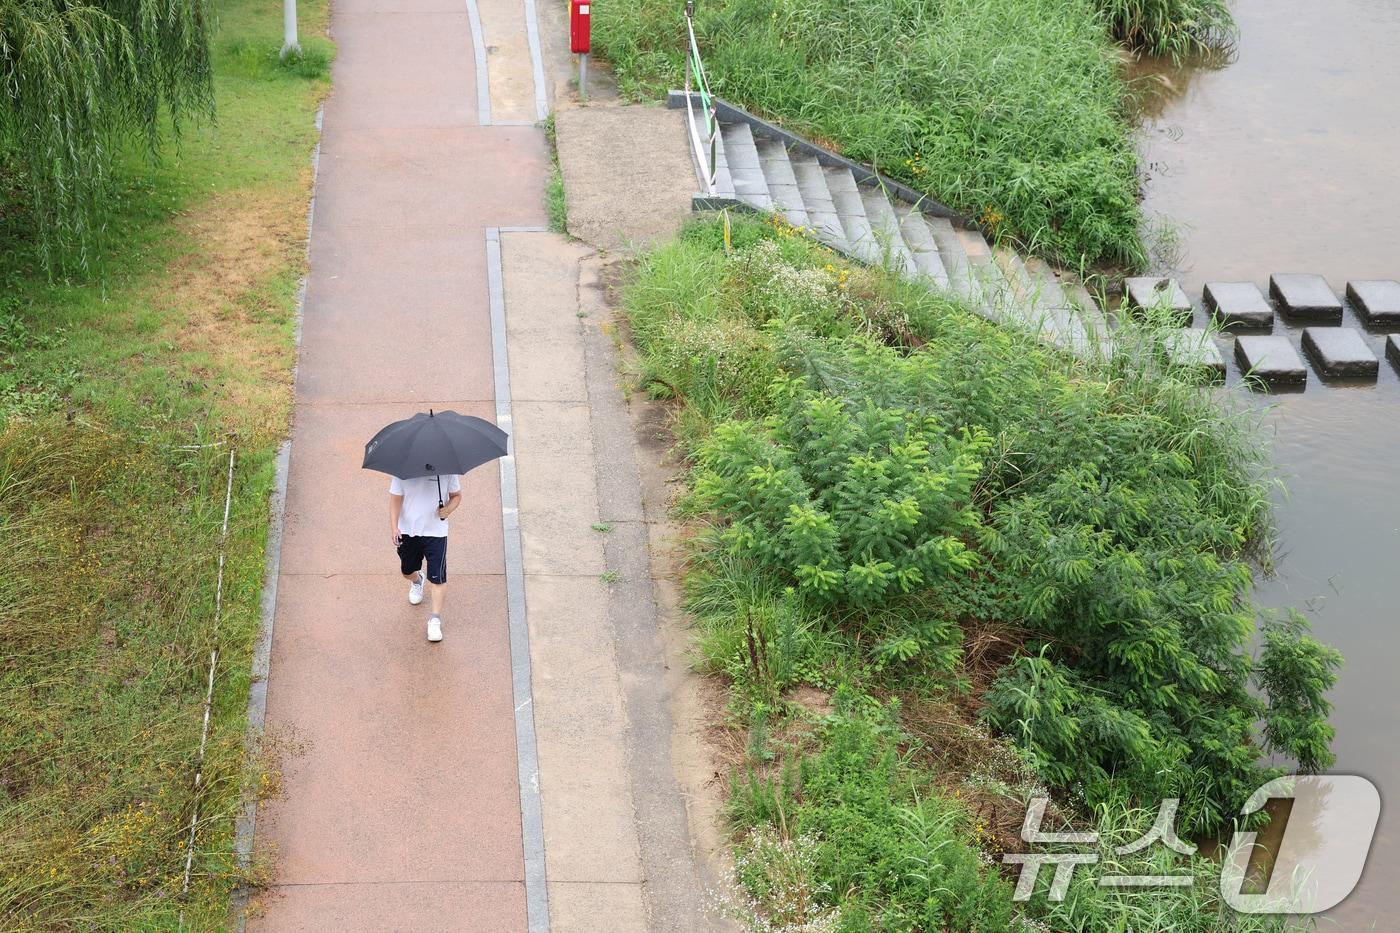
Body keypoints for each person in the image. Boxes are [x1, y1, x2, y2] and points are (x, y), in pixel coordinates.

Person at [388, 473, 461, 642]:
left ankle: (435, 620)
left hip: (436, 532)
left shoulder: (447, 471)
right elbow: (395, 499)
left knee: (438, 578)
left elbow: (456, 496)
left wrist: (448, 509)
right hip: (407, 530)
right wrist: (394, 527)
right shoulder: (402, 473)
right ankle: (417, 580)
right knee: (407, 571)